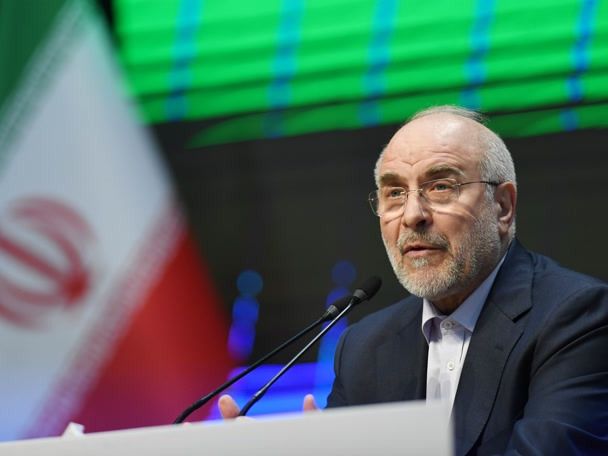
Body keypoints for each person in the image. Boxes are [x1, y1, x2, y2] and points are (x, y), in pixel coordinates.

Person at [219, 106, 608, 455]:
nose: (411, 215)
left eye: (441, 186)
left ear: (503, 207)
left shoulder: (578, 319)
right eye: (394, 193)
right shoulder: (364, 347)